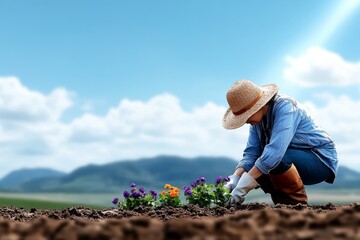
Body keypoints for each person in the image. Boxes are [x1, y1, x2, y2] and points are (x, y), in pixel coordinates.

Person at [222, 80, 338, 205]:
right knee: (262, 163)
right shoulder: (257, 122)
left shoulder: (286, 107)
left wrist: (243, 187)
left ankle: (296, 206)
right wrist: (235, 177)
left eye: (246, 116)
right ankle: (282, 205)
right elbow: (251, 154)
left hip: (319, 160)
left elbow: (275, 153)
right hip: (287, 160)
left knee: (270, 160)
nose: (245, 121)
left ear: (258, 106)